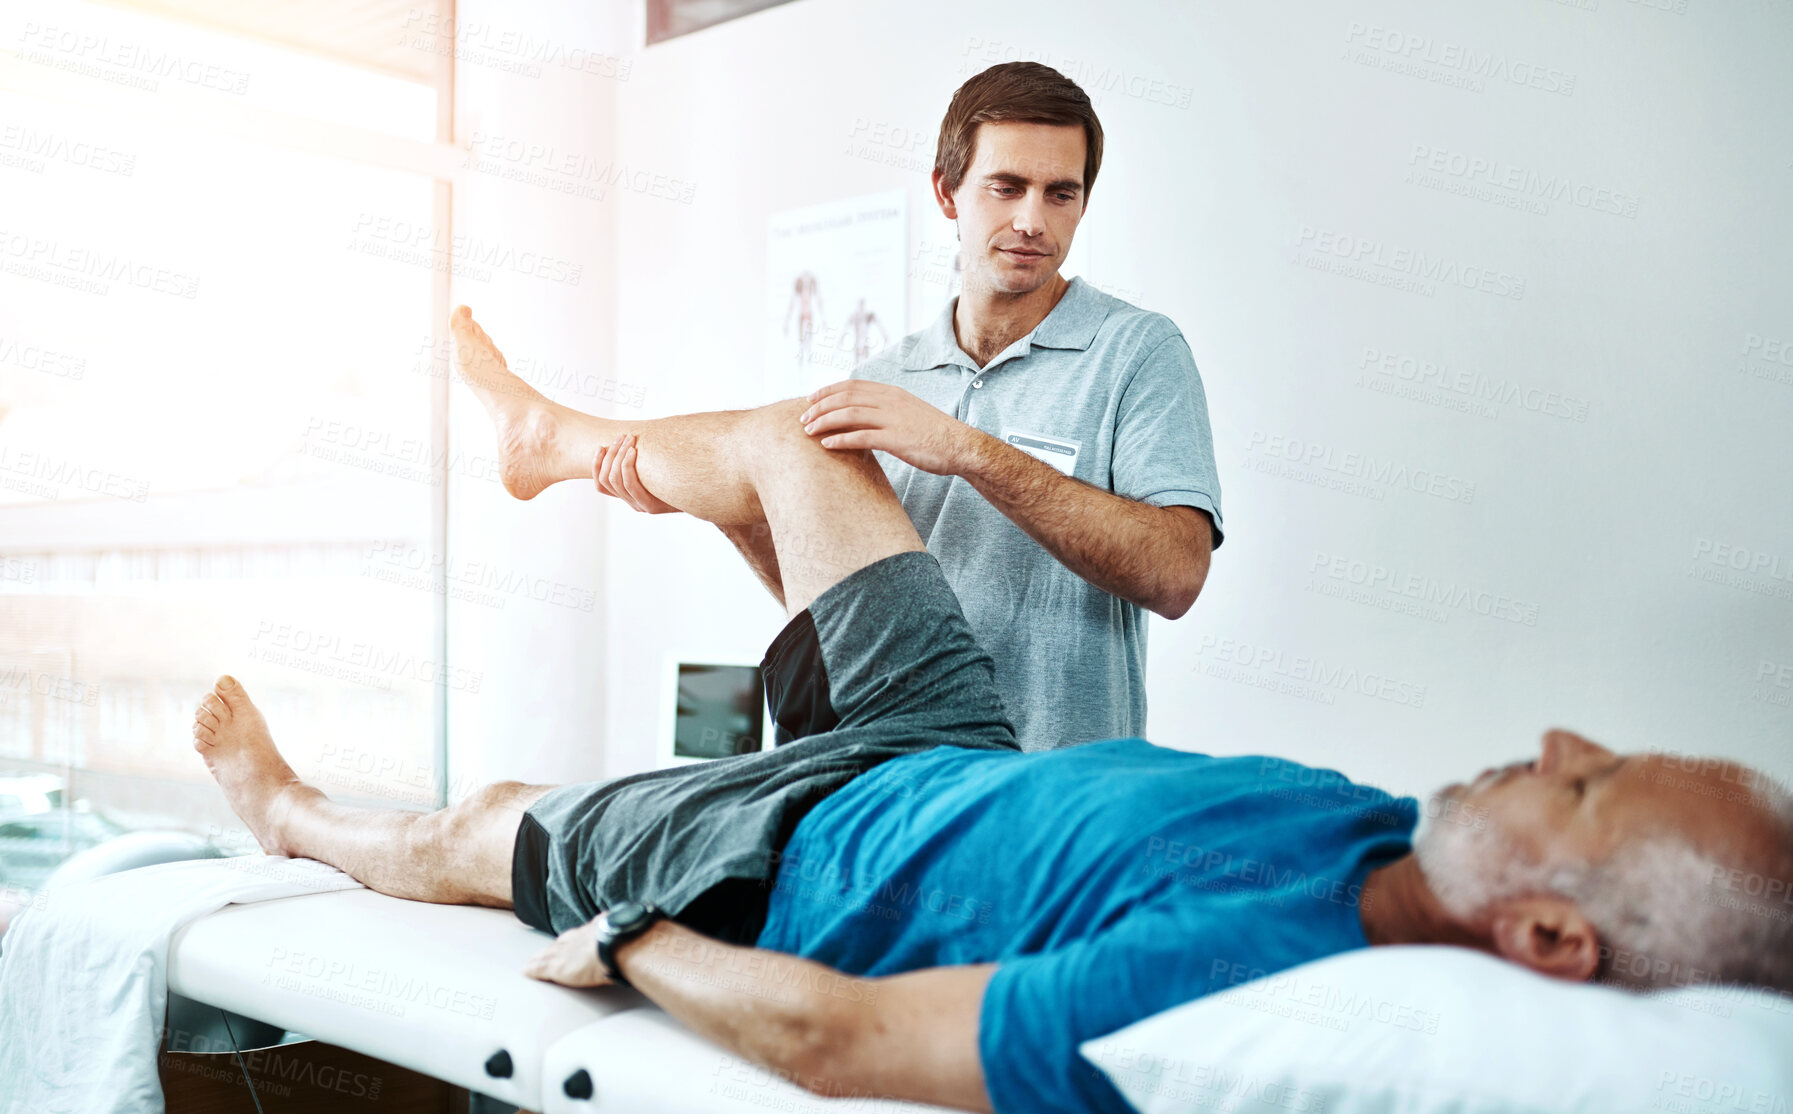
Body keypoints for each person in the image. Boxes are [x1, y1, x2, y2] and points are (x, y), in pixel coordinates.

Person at [187, 307, 1793, 1114]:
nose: (1566, 741)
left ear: (1552, 943)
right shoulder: (1397, 837)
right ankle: (549, 438)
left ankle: (294, 816)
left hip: (797, 844)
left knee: (492, 821)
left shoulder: (1248, 978)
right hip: (957, 747)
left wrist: (635, 940)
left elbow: (841, 1035)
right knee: (793, 443)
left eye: (1592, 789)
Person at [596, 62, 1223, 752]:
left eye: (1060, 193)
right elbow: (848, 622)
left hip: (1059, 804)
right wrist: (730, 518)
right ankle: (559, 443)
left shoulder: (1136, 351)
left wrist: (964, 450)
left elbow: (1174, 576)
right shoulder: (885, 380)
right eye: (1006, 186)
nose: (1030, 220)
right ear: (947, 192)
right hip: (901, 789)